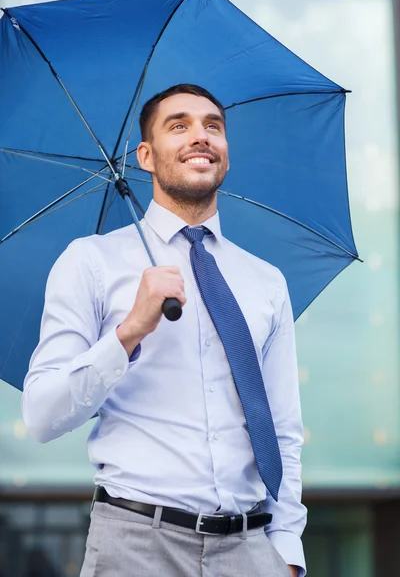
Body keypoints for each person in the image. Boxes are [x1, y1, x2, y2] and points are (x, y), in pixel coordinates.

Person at [22, 84, 307, 577]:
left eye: (212, 127)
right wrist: (130, 330)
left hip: (251, 549)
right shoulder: (91, 262)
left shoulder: (265, 280)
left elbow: (281, 428)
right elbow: (43, 415)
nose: (200, 136)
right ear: (146, 157)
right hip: (136, 546)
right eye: (179, 125)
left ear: (225, 156)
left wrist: (284, 551)